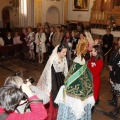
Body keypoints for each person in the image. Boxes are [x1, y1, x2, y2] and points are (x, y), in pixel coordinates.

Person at [55, 39, 95, 120]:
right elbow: (89, 76)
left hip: (74, 93)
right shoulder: (83, 61)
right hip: (84, 90)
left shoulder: (76, 61)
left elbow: (70, 75)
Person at [37, 44, 68, 120]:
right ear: (58, 51)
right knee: (55, 95)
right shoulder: (53, 59)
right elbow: (49, 73)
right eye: (63, 52)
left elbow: (65, 70)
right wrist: (52, 85)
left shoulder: (64, 58)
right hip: (54, 79)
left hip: (61, 78)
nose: (65, 54)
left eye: (65, 52)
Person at [108, 38, 120, 116]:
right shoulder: (117, 50)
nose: (118, 42)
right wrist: (110, 65)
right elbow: (113, 60)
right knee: (116, 93)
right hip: (115, 74)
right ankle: (116, 108)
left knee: (118, 95)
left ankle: (116, 110)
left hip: (119, 76)